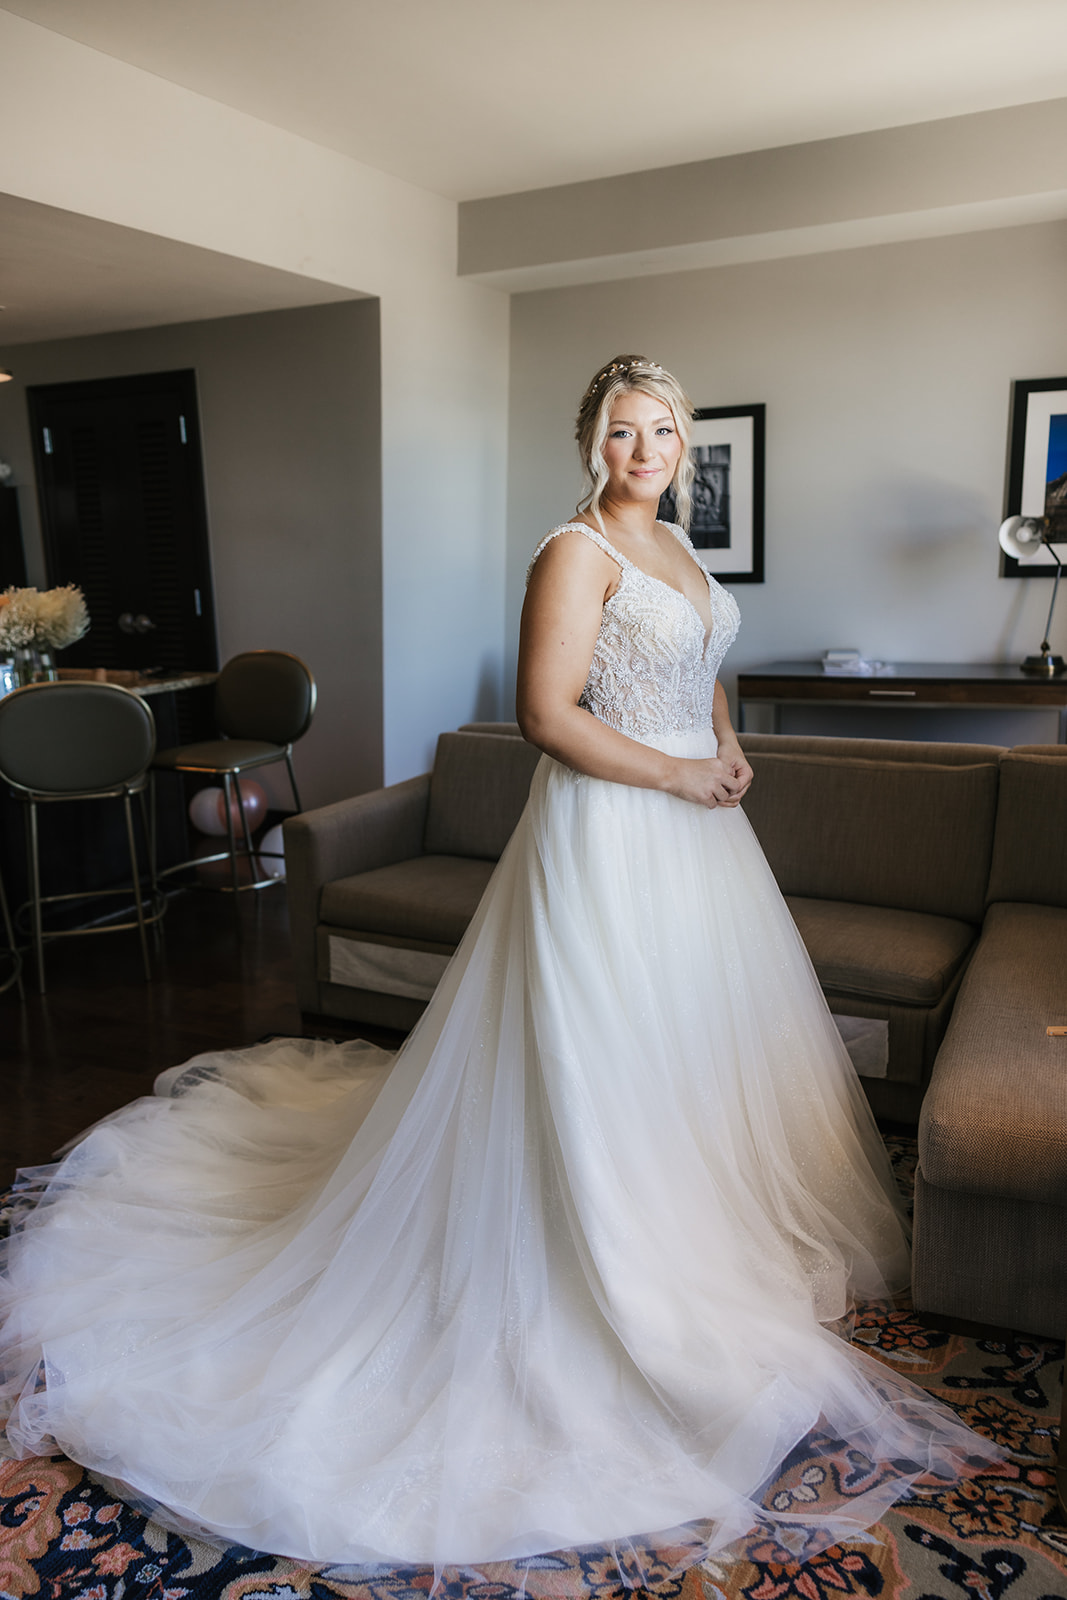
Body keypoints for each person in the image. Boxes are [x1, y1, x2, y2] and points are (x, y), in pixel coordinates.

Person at [0, 356, 999, 1590]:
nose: (647, 448)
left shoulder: (682, 547)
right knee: (605, 1054)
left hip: (701, 834)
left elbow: (701, 676)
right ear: (591, 442)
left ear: (684, 441)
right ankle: (604, 1257)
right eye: (625, 431)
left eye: (664, 429)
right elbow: (544, 713)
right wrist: (676, 772)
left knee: (696, 1049)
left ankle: (698, 1218)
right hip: (612, 830)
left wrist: (726, 747)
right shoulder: (572, 550)